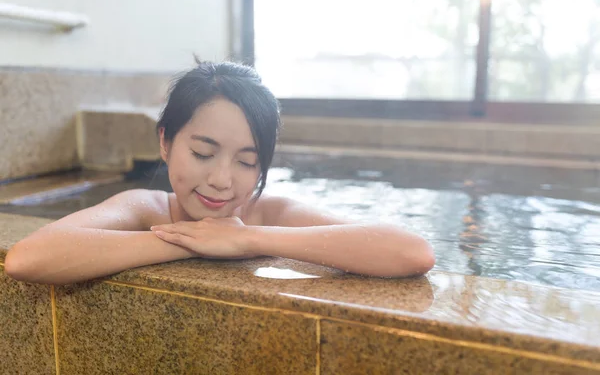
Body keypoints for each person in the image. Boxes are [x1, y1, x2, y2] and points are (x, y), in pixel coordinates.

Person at [4, 60, 435, 285]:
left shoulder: (271, 214)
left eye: (247, 162)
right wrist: (194, 244)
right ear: (165, 142)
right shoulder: (143, 208)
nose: (222, 180)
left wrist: (248, 237)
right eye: (203, 152)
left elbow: (412, 252)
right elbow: (28, 258)